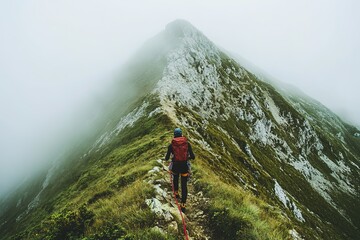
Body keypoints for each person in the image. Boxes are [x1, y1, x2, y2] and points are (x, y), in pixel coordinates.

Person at [165, 127, 195, 213]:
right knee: (184, 184)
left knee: (175, 177)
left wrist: (171, 157)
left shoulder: (171, 145)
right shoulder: (187, 144)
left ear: (174, 135)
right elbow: (193, 156)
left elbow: (167, 158)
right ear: (181, 135)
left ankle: (176, 193)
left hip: (175, 166)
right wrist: (186, 158)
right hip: (184, 166)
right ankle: (183, 204)